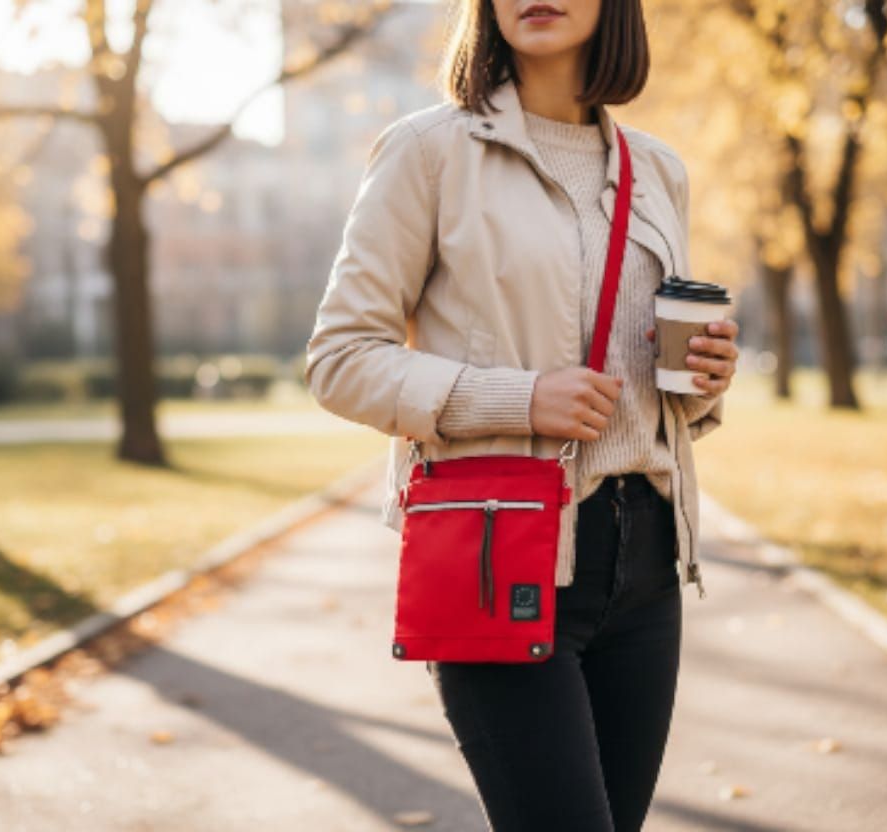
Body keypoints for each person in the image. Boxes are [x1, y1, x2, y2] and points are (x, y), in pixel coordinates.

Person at [305, 0, 739, 828]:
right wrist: (520, 397)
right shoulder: (429, 152)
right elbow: (340, 360)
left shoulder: (660, 170)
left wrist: (707, 380)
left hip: (645, 562)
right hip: (499, 551)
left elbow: (653, 387)